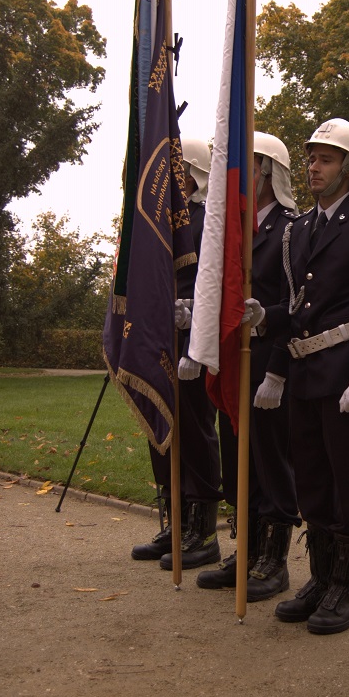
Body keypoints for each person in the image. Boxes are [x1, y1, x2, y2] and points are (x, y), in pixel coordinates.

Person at [256, 119, 349, 635]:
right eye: (311, 158)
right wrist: (266, 321)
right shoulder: (299, 229)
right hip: (303, 370)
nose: (313, 167)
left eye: (326, 159)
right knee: (312, 479)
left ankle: (347, 587)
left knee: (348, 481)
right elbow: (298, 308)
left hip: (344, 374)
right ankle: (319, 576)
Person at [197, 132, 301, 601]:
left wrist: (278, 369)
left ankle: (273, 560)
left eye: (247, 168)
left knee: (271, 462)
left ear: (268, 173)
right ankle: (247, 548)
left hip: (269, 358)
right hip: (234, 359)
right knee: (239, 460)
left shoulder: (290, 230)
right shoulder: (230, 231)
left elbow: (296, 308)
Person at [131, 137, 222, 569]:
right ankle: (175, 519)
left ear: (195, 176)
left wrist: (193, 321)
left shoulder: (207, 223)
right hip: (158, 339)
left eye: (174, 172)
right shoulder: (159, 223)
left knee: (195, 430)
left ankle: (201, 529)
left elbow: (213, 286)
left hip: (193, 344)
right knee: (160, 429)